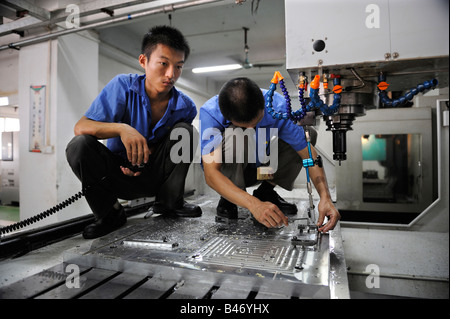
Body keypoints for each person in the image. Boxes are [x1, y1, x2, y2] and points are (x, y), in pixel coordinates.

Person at [66, 25, 201, 239]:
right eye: (163, 64)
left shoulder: (186, 107)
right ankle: (109, 214)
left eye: (178, 67)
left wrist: (144, 157)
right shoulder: (122, 87)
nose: (170, 74)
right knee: (79, 145)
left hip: (155, 177)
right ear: (143, 61)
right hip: (117, 176)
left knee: (186, 132)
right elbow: (81, 127)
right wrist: (122, 129)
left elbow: (170, 151)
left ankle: (170, 203)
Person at [200, 77, 340, 232]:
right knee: (236, 134)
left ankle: (265, 192)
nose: (252, 129)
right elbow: (211, 174)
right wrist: (253, 205)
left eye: (257, 121)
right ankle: (229, 199)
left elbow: (309, 156)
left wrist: (325, 197)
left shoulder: (276, 106)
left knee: (309, 136)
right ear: (227, 117)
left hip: (263, 173)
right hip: (229, 177)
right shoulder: (211, 113)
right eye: (245, 126)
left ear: (263, 105)